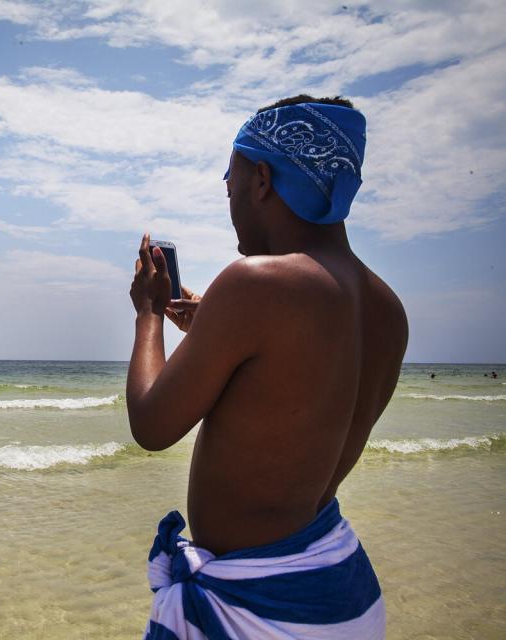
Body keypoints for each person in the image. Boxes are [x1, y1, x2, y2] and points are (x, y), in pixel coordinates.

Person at [127, 95, 406, 639]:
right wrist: (217, 329)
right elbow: (298, 376)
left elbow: (152, 425)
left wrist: (149, 314)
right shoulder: (386, 308)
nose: (229, 198)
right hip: (338, 588)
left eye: (229, 183)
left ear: (261, 179)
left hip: (259, 607)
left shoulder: (255, 282)